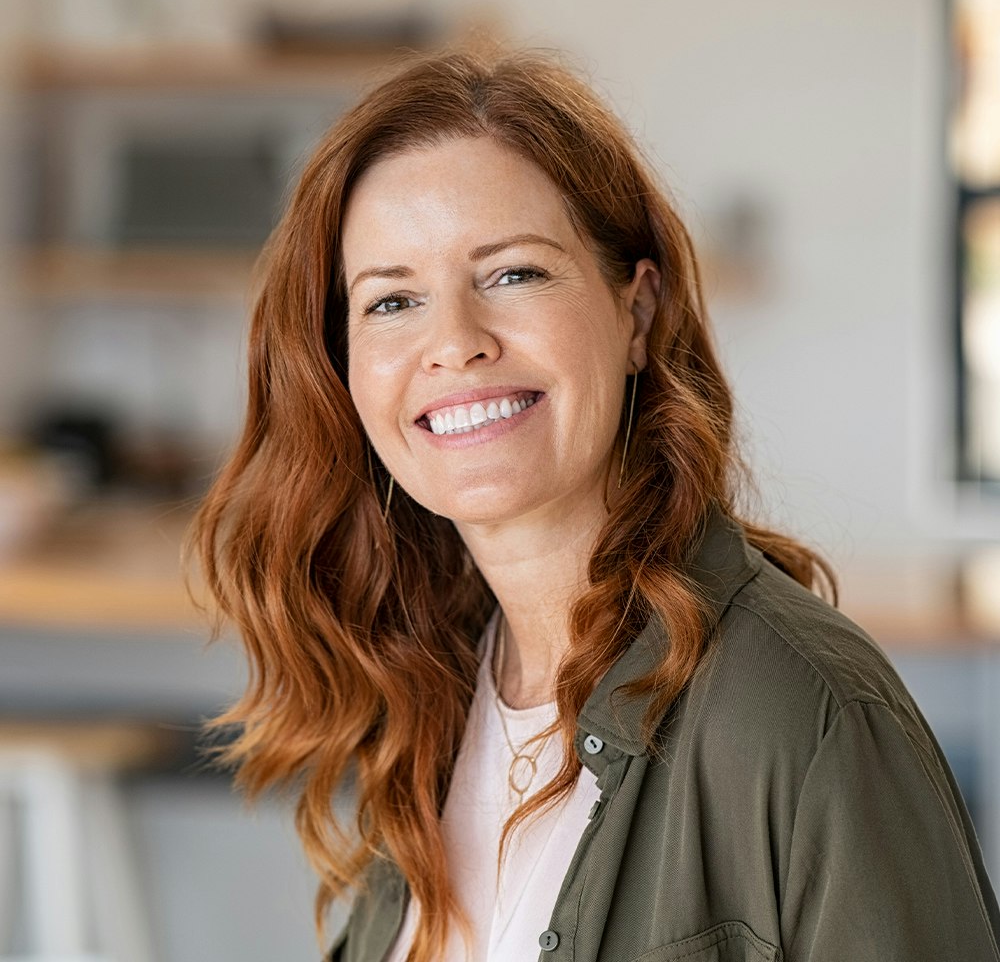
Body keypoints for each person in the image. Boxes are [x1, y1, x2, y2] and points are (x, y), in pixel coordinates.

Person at [192, 49, 1000, 962]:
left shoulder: (805, 720)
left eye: (514, 275)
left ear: (638, 313)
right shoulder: (429, 694)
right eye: (393, 301)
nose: (453, 343)